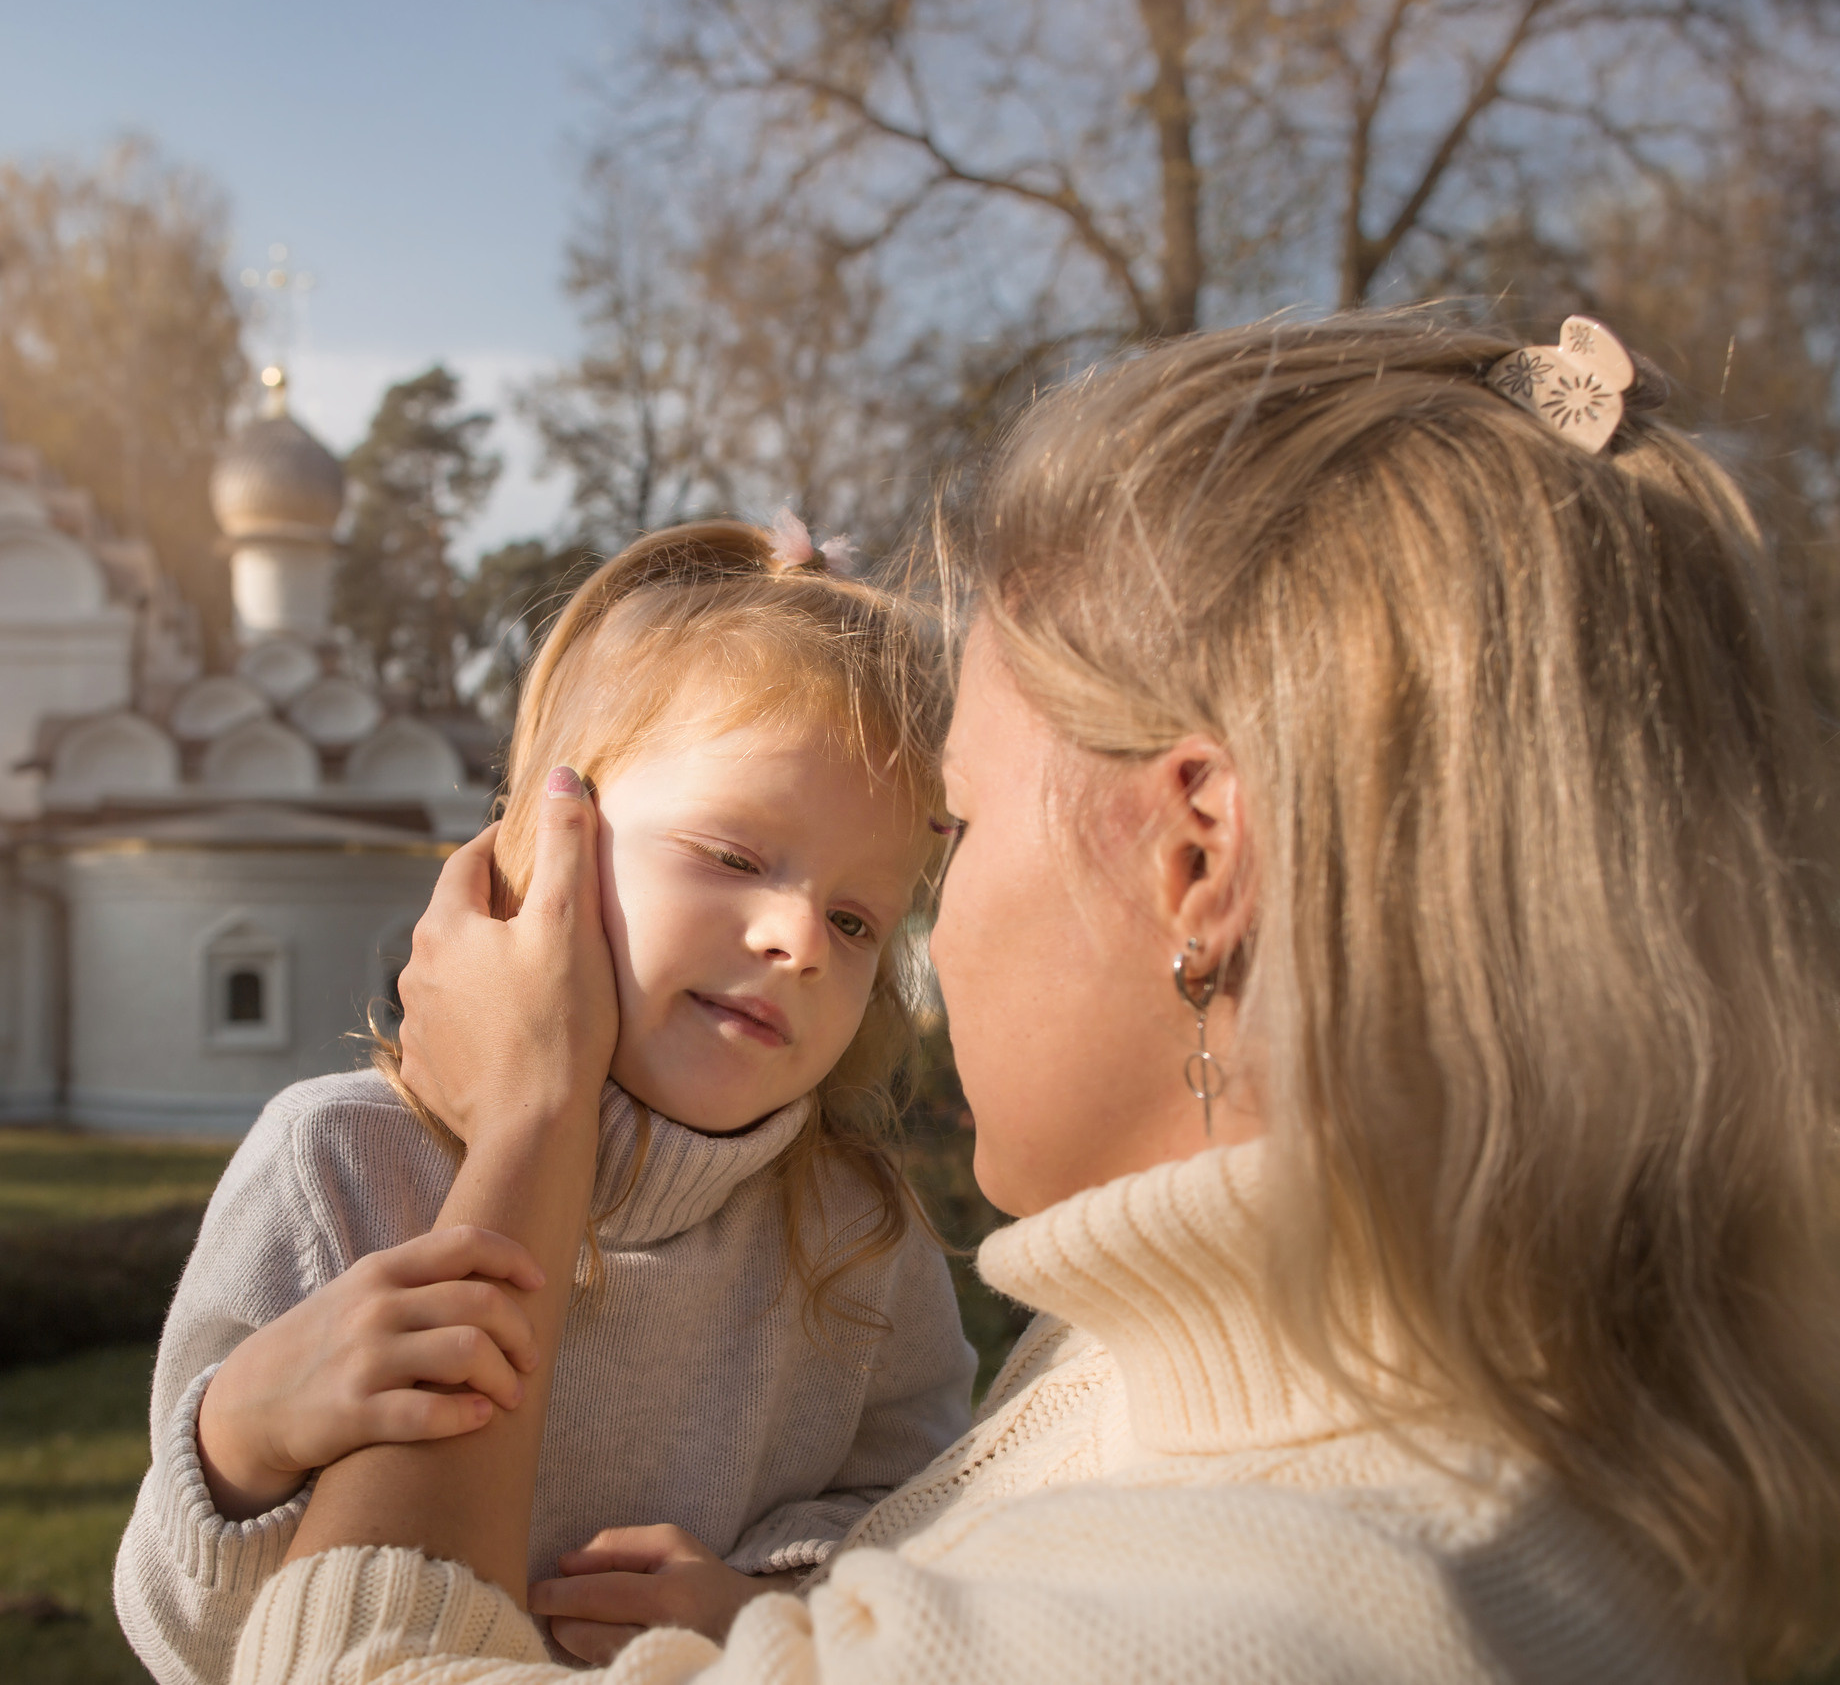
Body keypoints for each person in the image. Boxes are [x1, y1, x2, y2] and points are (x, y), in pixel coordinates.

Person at [223, 313, 1840, 1683]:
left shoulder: (1282, 1610)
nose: (880, 942)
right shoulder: (1186, 1383)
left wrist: (529, 1115)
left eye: (954, 832)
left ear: (1199, 856)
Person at [114, 523, 978, 1685]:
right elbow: (182, 1644)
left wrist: (763, 1608)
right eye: (732, 855)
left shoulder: (856, 1241)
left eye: (857, 919)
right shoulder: (341, 1165)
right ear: (550, 841)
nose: (796, 940)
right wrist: (240, 1441)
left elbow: (920, 1530)